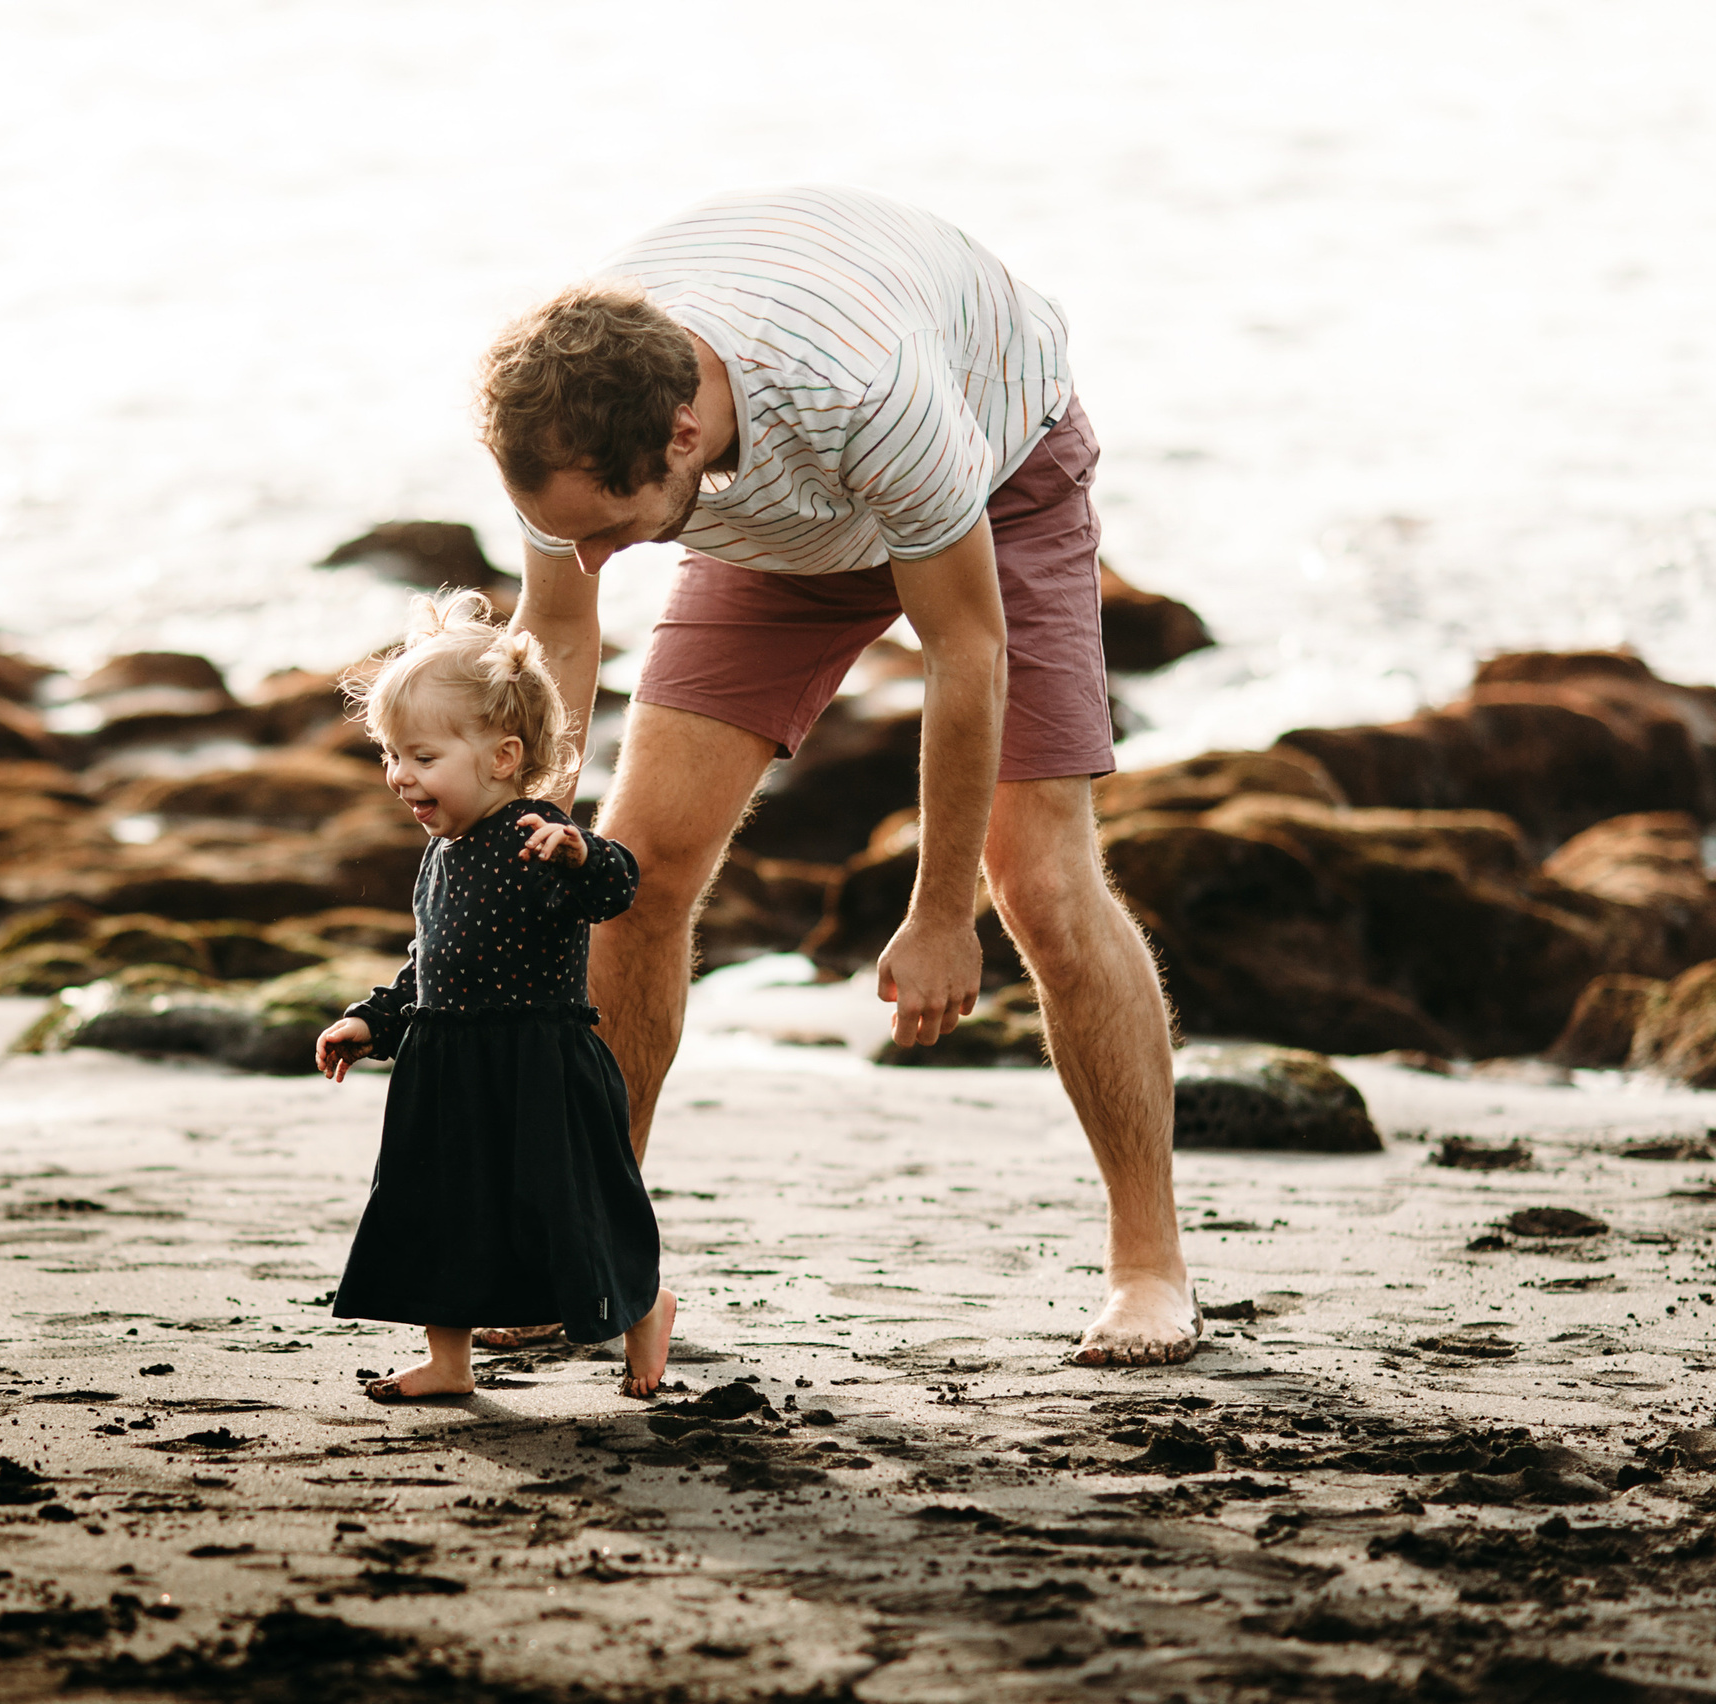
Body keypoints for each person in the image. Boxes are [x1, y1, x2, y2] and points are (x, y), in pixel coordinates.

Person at [476, 184, 1196, 1366]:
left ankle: (1148, 1268)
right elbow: (559, 631)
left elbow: (964, 651)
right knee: (633, 870)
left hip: (988, 481)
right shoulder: (567, 420)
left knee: (1043, 887)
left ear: (682, 437)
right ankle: (584, 1254)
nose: (594, 556)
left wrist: (938, 912)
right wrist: (521, 819)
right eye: (572, 532)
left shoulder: (866, 393)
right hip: (779, 534)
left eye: (611, 531)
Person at [315, 592, 678, 1402]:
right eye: (391, 756)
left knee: (569, 1212)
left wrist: (581, 854)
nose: (399, 775)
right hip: (446, 1069)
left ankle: (645, 1308)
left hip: (539, 1066)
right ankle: (449, 1362)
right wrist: (370, 1022)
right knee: (442, 1214)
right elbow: (428, 969)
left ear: (504, 757)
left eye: (421, 757)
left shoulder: (537, 838)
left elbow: (619, 889)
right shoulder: (441, 858)